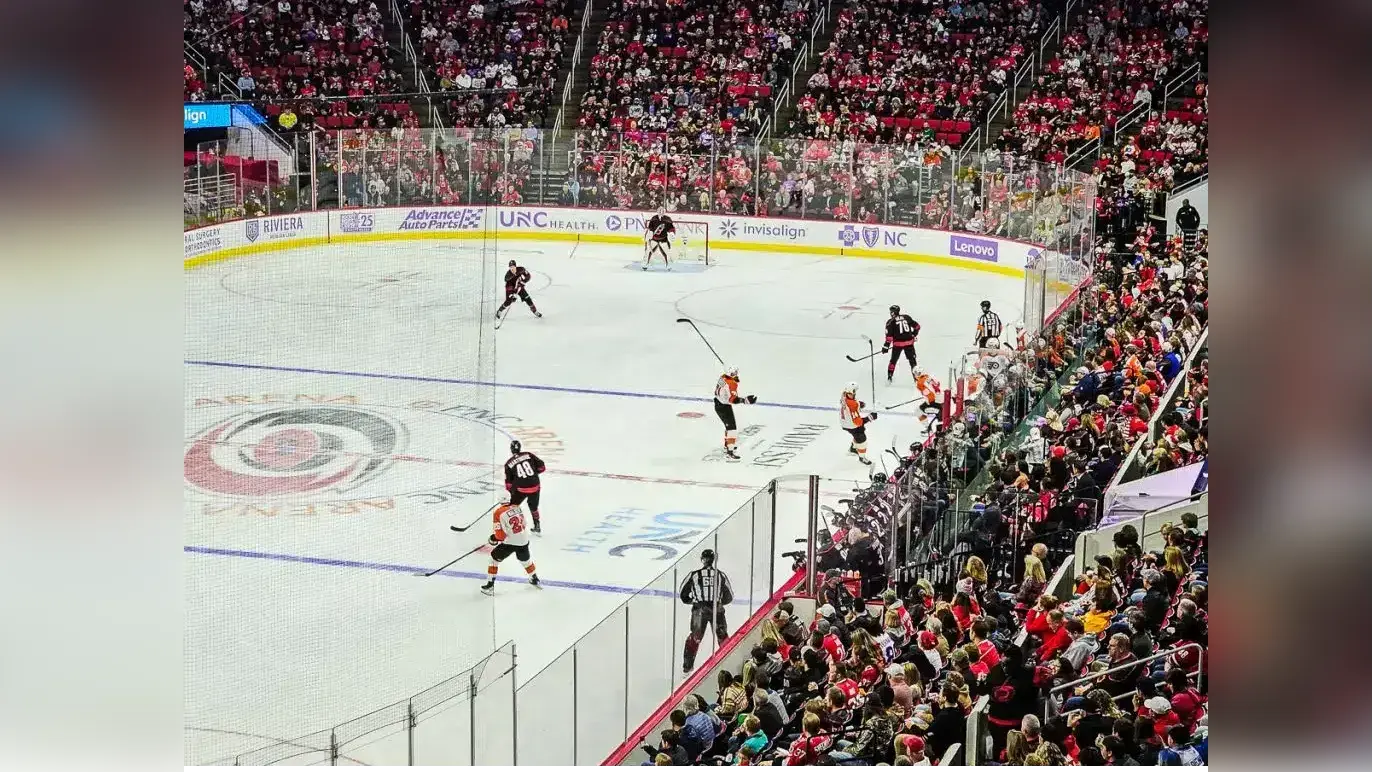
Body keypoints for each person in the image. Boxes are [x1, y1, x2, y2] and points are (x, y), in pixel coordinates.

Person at [680, 549, 734, 672]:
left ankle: (687, 667)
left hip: (700, 610)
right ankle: (729, 662)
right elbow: (729, 596)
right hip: (717, 609)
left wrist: (694, 601)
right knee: (722, 637)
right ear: (713, 559)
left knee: (695, 638)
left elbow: (683, 594)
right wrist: (719, 602)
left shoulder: (694, 575)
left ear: (702, 560)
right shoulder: (720, 575)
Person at [480, 502, 540, 595]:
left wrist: (493, 538)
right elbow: (524, 524)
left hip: (510, 543)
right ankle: (534, 578)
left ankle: (490, 586)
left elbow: (500, 536)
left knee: (493, 560)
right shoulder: (517, 507)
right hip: (523, 540)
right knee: (525, 561)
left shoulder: (498, 512)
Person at [713, 366, 756, 460]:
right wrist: (745, 400)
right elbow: (733, 399)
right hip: (724, 407)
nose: (737, 375)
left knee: (729, 427)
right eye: (735, 374)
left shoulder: (723, 377)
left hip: (718, 403)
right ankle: (730, 452)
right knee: (732, 429)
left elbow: (726, 387)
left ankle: (727, 445)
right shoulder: (732, 383)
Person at [503, 440, 546, 533]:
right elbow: (542, 468)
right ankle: (537, 525)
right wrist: (534, 474)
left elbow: (509, 485)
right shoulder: (528, 454)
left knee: (512, 506)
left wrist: (511, 492)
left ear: (511, 449)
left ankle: (512, 525)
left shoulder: (508, 464)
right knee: (533, 507)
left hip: (521, 489)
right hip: (535, 486)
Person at [840, 382, 878, 466]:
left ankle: (853, 449)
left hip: (844, 421)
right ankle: (862, 458)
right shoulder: (852, 405)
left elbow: (848, 402)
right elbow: (858, 422)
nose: (853, 395)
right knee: (862, 438)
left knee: (859, 432)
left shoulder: (844, 395)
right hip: (851, 425)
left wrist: (859, 404)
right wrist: (870, 417)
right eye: (852, 393)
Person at [882, 304, 921, 383]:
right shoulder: (907, 317)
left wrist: (886, 347)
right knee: (912, 361)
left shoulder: (890, 322)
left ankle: (889, 377)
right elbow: (917, 327)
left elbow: (889, 337)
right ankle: (917, 379)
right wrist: (913, 334)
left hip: (898, 344)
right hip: (909, 343)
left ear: (892, 312)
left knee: (893, 361)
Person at [644, 205, 676, 269]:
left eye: (662, 211)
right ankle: (646, 263)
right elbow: (650, 227)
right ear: (657, 211)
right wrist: (649, 233)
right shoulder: (654, 218)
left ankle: (668, 264)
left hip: (664, 239)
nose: (661, 212)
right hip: (654, 238)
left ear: (665, 211)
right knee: (649, 251)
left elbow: (671, 228)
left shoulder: (668, 219)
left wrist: (672, 233)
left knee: (666, 252)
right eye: (660, 211)